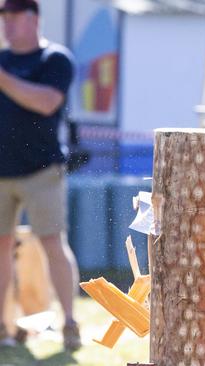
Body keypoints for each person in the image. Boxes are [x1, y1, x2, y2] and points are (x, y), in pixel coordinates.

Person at [0, 0, 81, 351]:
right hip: (1, 172)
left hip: (42, 171)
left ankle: (69, 322)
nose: (7, 24)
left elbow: (46, 102)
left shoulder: (55, 59)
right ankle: (3, 327)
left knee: (52, 243)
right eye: (4, 17)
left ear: (33, 18)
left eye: (13, 17)